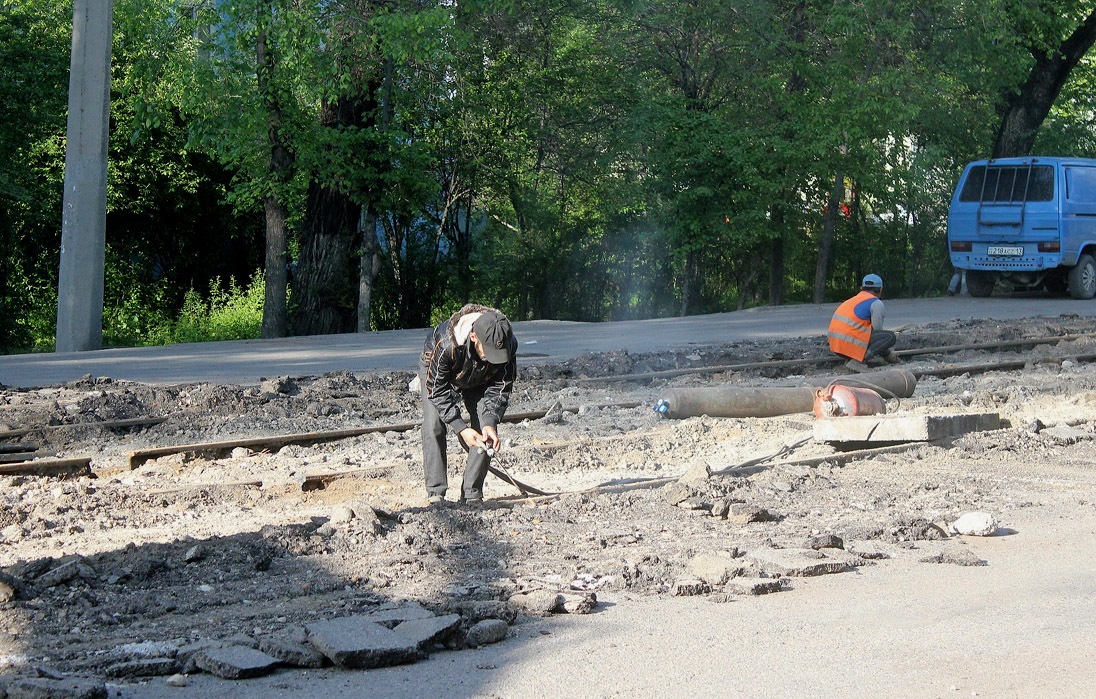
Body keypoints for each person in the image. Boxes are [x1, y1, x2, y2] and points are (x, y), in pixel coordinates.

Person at [420, 303, 517, 505]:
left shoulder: (507, 343)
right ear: (473, 337)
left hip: (480, 379)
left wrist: (490, 420)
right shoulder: (447, 344)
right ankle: (436, 493)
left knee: (485, 429)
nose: (493, 358)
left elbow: (501, 386)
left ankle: (472, 493)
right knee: (433, 426)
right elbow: (436, 391)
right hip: (442, 373)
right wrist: (460, 428)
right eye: (488, 352)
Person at [827, 273, 899, 372]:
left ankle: (850, 359)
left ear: (862, 288)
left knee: (865, 334)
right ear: (880, 289)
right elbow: (878, 332)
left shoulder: (852, 300)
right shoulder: (876, 303)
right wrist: (887, 355)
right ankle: (857, 361)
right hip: (849, 343)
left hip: (836, 346)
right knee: (889, 337)